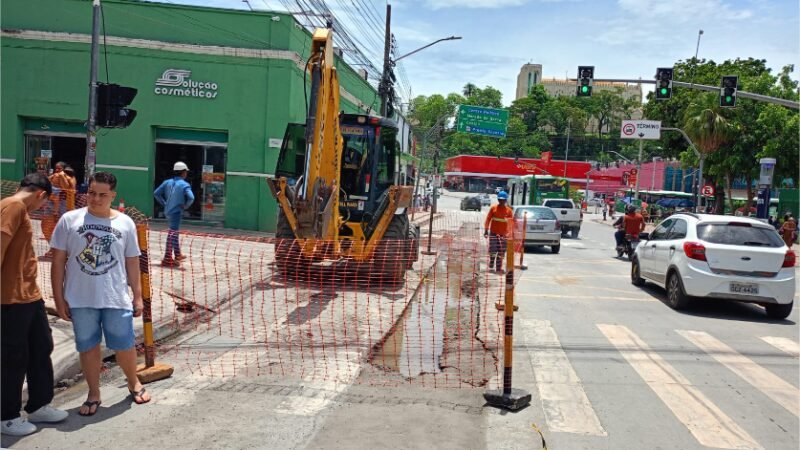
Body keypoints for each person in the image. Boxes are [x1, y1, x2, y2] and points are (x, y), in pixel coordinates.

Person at [50, 172, 151, 417]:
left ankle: (133, 382)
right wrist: (58, 297)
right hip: (79, 298)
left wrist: (137, 295)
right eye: (92, 193)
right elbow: (58, 261)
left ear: (113, 196)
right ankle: (93, 393)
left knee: (124, 343)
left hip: (115, 297)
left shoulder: (125, 223)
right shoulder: (68, 220)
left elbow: (132, 262)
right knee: (88, 346)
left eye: (102, 195)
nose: (95, 199)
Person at [2, 173, 68, 436]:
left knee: (42, 347)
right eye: (44, 203)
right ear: (41, 195)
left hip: (29, 296)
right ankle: (6, 416)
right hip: (10, 298)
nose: (42, 209)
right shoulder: (13, 207)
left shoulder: (19, 209)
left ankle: (39, 404)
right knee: (13, 358)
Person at [153, 162, 195, 267]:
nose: (186, 174)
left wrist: (164, 203)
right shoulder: (185, 184)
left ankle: (177, 254)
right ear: (183, 172)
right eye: (186, 172)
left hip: (168, 211)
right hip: (176, 212)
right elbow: (191, 198)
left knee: (174, 232)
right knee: (172, 233)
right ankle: (167, 257)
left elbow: (156, 193)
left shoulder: (167, 182)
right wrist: (186, 206)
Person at [484, 191, 514, 273]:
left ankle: (498, 268)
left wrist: (510, 234)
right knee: (493, 250)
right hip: (493, 233)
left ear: (506, 200)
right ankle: (491, 261)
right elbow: (488, 219)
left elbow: (511, 223)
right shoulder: (493, 208)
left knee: (501, 251)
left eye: (503, 200)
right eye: (500, 199)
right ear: (498, 199)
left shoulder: (509, 211)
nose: (501, 201)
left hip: (504, 235)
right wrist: (486, 230)